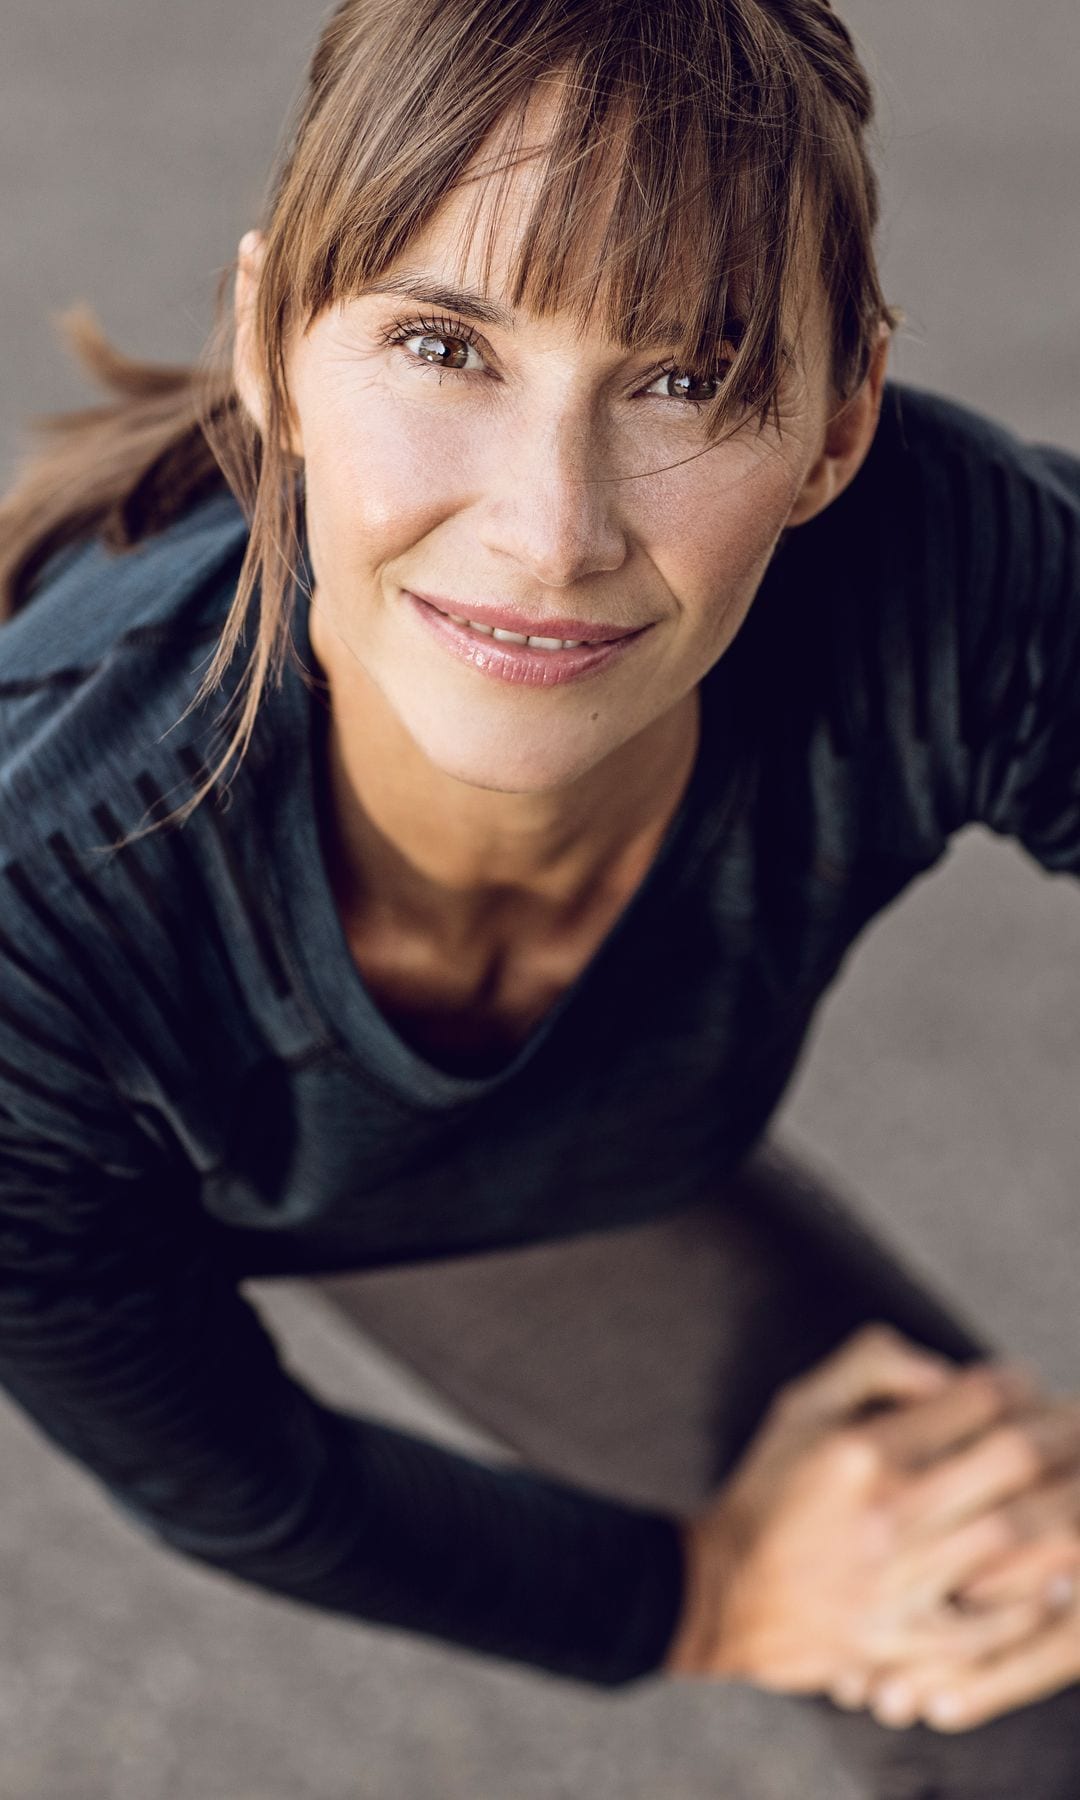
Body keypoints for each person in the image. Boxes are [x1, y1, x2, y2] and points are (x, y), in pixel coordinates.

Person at [0, 0, 1078, 1792]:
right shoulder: (44, 906)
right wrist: (710, 1597)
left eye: (689, 381)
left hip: (559, 1159)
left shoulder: (961, 579)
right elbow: (232, 1470)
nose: (549, 530)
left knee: (1030, 1677)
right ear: (273, 344)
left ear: (839, 426)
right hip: (132, 1137)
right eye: (442, 347)